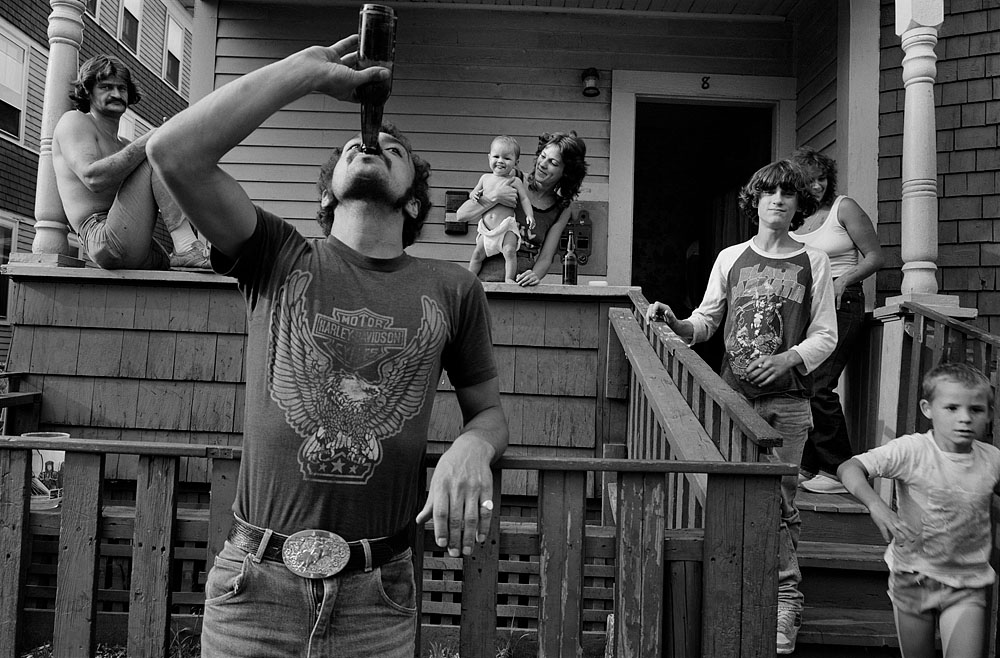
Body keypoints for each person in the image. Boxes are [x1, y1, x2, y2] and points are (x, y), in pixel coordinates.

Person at [146, 37, 508, 658]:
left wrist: (473, 445)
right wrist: (304, 74)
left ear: (414, 201)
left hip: (377, 600)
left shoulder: (453, 288)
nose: (371, 145)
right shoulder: (277, 256)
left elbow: (490, 412)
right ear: (326, 196)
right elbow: (171, 152)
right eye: (355, 147)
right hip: (253, 593)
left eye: (395, 151)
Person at [645, 159, 837, 655]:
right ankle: (740, 591)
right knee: (735, 498)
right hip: (735, 401)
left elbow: (826, 335)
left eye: (787, 194)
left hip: (790, 402)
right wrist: (676, 323)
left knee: (782, 504)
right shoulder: (731, 258)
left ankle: (784, 602)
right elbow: (706, 322)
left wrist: (787, 359)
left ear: (799, 205)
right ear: (755, 201)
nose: (777, 200)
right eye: (768, 192)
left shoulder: (813, 262)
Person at [838, 363, 1000, 658]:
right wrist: (877, 506)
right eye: (951, 408)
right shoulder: (911, 451)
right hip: (913, 576)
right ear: (928, 408)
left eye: (976, 410)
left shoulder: (992, 460)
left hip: (967, 582)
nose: (964, 418)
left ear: (989, 414)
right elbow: (850, 468)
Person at [51, 55, 210, 270]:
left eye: (122, 88)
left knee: (191, 270)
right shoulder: (75, 121)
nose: (116, 94)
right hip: (102, 236)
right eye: (106, 87)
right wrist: (155, 138)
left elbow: (164, 195)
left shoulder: (125, 145)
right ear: (88, 91)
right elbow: (92, 178)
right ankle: (187, 245)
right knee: (157, 148)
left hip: (136, 240)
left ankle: (197, 247)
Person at [792, 146, 885, 494]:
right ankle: (808, 463)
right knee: (802, 384)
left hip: (843, 303)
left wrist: (845, 279)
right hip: (807, 308)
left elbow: (876, 256)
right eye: (810, 180)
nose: (817, 186)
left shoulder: (843, 208)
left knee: (819, 384)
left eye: (822, 179)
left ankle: (839, 471)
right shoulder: (797, 218)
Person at [457, 131, 588, 285]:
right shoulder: (512, 177)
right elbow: (461, 215)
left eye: (553, 162)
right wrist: (494, 197)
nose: (543, 164)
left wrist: (535, 275)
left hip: (521, 287)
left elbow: (546, 257)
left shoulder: (562, 209)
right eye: (543, 156)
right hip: (485, 281)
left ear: (566, 172)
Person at [465, 135, 536, 283]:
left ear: (516, 163)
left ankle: (509, 279)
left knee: (509, 252)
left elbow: (524, 199)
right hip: (487, 229)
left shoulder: (514, 181)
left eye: (506, 158)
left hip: (506, 227)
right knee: (477, 254)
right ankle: (469, 280)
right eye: (496, 156)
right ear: (489, 157)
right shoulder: (485, 178)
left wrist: (530, 215)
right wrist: (475, 196)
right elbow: (473, 193)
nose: (500, 161)